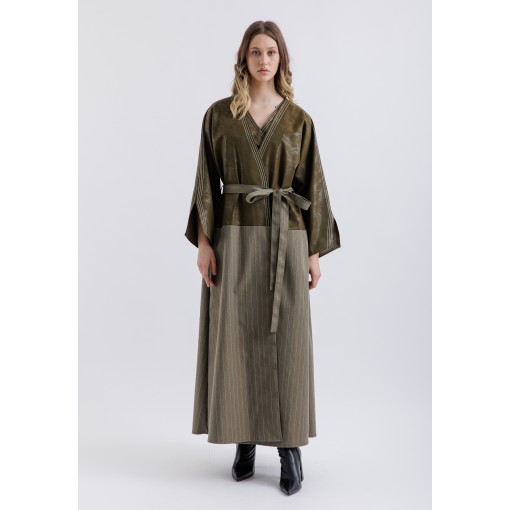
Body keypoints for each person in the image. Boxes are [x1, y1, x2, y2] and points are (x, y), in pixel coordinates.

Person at [184, 20, 341, 496]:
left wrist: (313, 251)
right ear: (244, 59)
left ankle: (289, 448)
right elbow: (205, 182)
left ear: (282, 59)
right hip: (232, 238)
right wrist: (205, 243)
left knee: (287, 340)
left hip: (285, 238)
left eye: (271, 52)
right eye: (256, 52)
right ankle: (244, 440)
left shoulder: (299, 120)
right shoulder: (218, 116)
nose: (264, 60)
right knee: (235, 337)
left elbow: (313, 184)